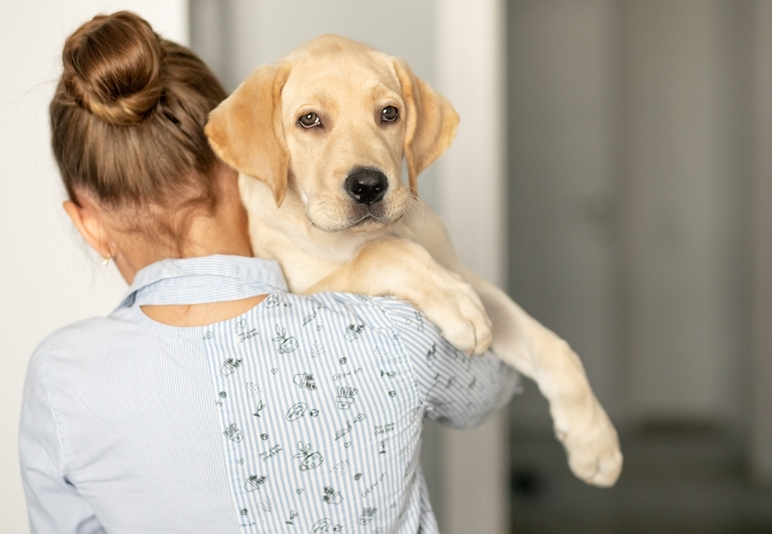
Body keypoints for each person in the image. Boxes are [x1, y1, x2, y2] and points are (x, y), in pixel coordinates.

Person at [19, 11, 519, 534]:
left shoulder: (61, 378)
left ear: (89, 225)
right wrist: (410, 267)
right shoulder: (390, 322)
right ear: (247, 159)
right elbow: (495, 381)